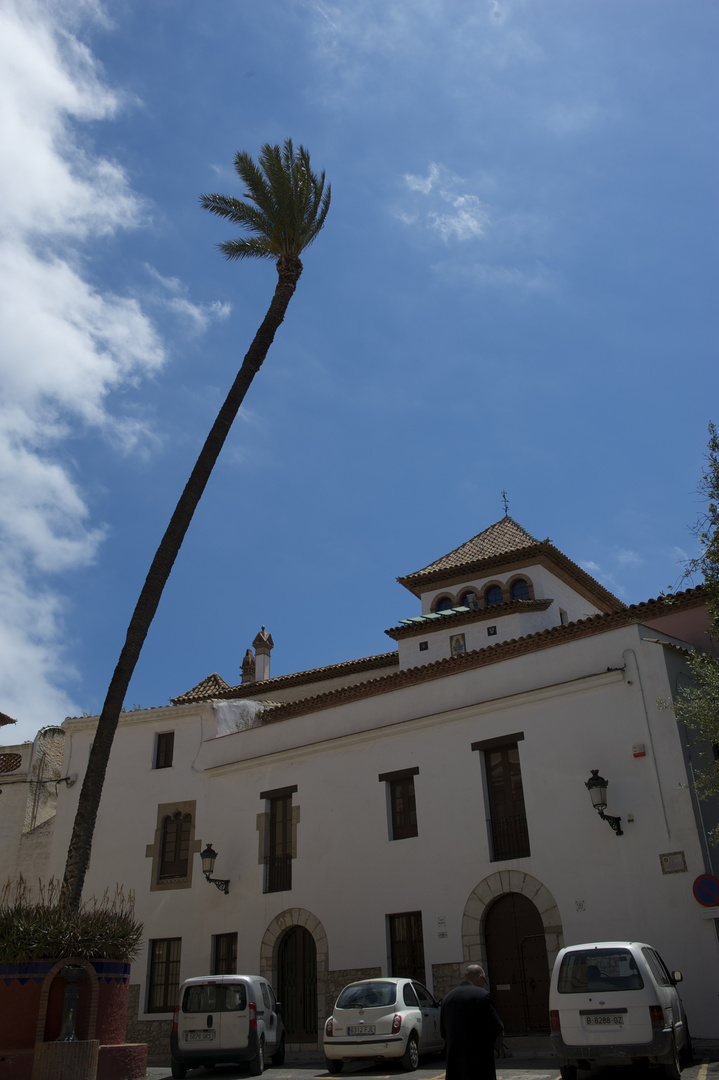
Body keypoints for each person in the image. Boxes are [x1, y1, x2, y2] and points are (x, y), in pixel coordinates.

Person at [440, 963, 504, 1080]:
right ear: (480, 978)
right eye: (484, 981)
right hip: (480, 1065)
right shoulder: (483, 996)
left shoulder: (447, 999)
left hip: (455, 1066)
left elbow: (443, 1033)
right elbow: (498, 1028)